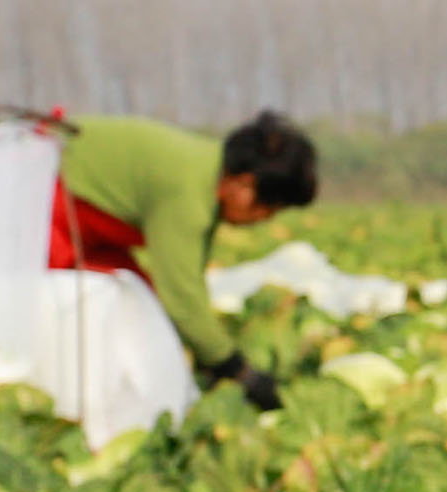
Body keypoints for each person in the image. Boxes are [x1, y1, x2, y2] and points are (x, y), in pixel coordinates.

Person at [51, 111, 315, 409]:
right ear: (243, 185)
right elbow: (182, 300)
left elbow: (189, 281)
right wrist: (236, 369)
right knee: (75, 309)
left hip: (83, 223)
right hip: (46, 206)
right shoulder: (188, 193)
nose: (264, 219)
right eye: (267, 208)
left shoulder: (208, 170)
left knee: (137, 296)